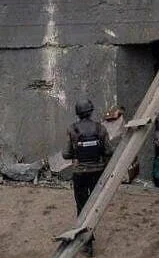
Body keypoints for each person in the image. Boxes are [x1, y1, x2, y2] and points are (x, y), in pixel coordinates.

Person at [62, 99, 113, 256]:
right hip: (97, 173)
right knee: (94, 206)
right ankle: (90, 235)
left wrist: (77, 152)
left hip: (80, 173)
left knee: (82, 207)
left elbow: (66, 154)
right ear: (91, 111)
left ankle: (87, 243)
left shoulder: (72, 129)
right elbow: (109, 151)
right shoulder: (100, 128)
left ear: (77, 113)